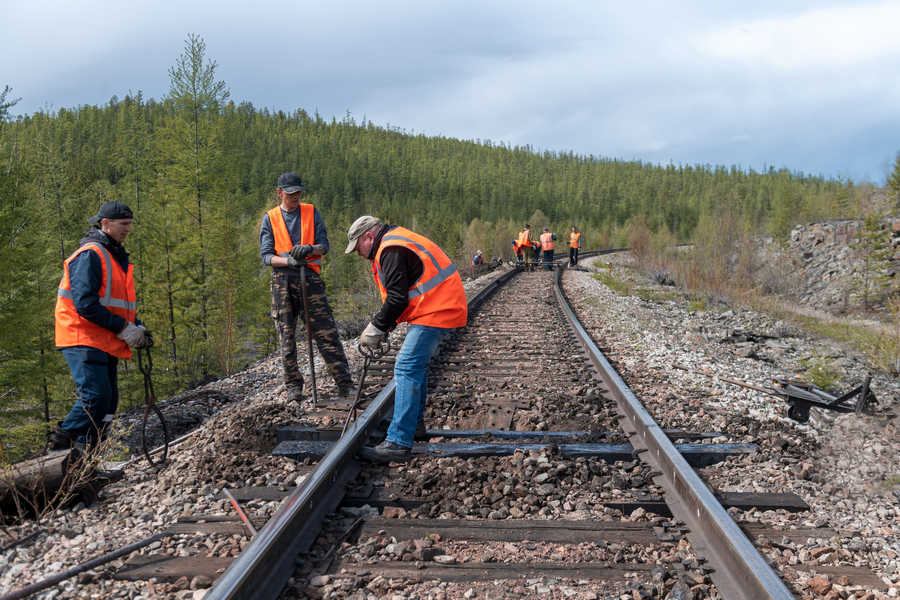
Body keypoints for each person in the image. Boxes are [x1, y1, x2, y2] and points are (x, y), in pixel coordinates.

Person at [346, 216, 467, 463]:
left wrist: (376, 328)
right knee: (416, 367)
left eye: (358, 247)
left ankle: (399, 442)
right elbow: (403, 295)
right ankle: (415, 425)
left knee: (406, 366)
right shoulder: (395, 241)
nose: (358, 254)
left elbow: (397, 298)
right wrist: (386, 325)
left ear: (369, 236)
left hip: (436, 309)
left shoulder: (389, 249)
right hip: (437, 306)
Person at [51, 201, 151, 455]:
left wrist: (136, 327)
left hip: (103, 337)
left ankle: (90, 462)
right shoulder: (91, 254)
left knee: (108, 403)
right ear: (105, 223)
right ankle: (57, 453)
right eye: (124, 224)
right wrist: (123, 328)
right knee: (95, 397)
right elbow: (85, 304)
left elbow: (118, 304)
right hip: (81, 335)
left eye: (130, 224)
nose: (128, 229)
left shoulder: (114, 256)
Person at [259, 172, 354, 403]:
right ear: (279, 192)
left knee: (326, 333)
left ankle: (345, 384)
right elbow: (266, 256)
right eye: (291, 193)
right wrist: (289, 261)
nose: (295, 196)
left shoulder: (311, 212)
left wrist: (309, 249)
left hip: (310, 279)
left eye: (298, 192)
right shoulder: (270, 218)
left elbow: (325, 245)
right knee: (286, 337)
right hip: (282, 281)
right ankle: (293, 387)